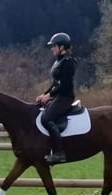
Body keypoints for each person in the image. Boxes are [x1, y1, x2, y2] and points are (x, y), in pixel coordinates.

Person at [36, 32, 77, 164]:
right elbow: (55, 83)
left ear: (62, 47)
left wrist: (49, 95)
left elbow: (64, 85)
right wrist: (45, 94)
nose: (52, 48)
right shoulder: (58, 61)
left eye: (54, 46)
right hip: (58, 96)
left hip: (65, 97)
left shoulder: (69, 62)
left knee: (47, 119)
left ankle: (59, 153)